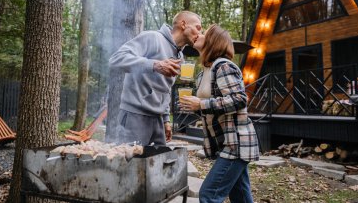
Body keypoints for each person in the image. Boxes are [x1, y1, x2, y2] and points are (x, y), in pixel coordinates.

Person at [180, 24, 259, 203]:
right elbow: (214, 109)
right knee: (240, 197)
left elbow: (239, 99)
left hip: (236, 143)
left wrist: (201, 103)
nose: (197, 35)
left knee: (209, 195)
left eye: (203, 33)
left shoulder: (223, 66)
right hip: (226, 142)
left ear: (213, 41)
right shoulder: (204, 73)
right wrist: (196, 106)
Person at [108, 11, 202, 146]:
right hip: (135, 115)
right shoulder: (152, 37)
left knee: (156, 163)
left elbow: (166, 88)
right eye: (198, 27)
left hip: (158, 119)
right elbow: (116, 60)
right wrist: (155, 64)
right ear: (183, 24)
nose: (200, 33)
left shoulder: (179, 55)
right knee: (131, 163)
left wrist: (165, 119)